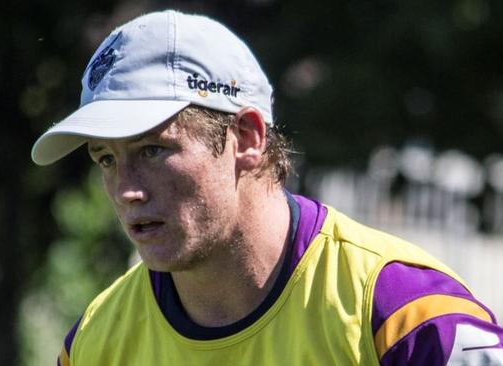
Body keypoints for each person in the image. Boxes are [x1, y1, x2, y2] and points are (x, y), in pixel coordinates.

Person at [31, 10, 503, 365]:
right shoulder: (95, 344)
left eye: (153, 150)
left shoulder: (408, 317)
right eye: (107, 159)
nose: (126, 190)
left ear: (248, 139)